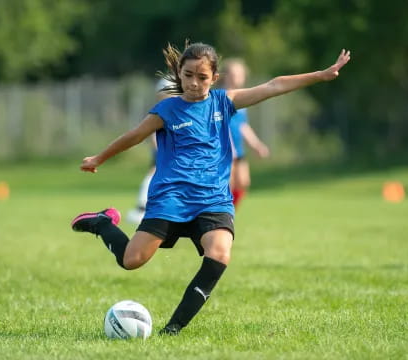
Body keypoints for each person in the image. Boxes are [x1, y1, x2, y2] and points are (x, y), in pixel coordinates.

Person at [70, 41, 351, 335]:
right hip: (171, 197)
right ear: (179, 74)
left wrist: (320, 75)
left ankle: (173, 329)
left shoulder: (223, 103)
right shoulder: (166, 110)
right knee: (131, 260)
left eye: (202, 77)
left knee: (219, 254)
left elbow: (273, 86)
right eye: (188, 75)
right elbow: (134, 136)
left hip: (212, 199)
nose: (194, 83)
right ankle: (102, 223)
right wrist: (99, 157)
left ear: (214, 79)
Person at [221, 58, 270, 208]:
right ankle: (219, 218)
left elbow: (242, 125)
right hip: (224, 150)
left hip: (238, 149)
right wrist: (229, 147)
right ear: (226, 76)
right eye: (235, 74)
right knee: (225, 187)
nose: (239, 77)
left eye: (241, 74)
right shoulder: (222, 97)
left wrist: (256, 144)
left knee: (243, 182)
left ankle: (228, 215)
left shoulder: (241, 98)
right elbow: (219, 125)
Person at [126, 79, 175, 224]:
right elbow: (153, 134)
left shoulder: (175, 110)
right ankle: (142, 207)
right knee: (154, 174)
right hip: (164, 153)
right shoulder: (160, 112)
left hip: (172, 153)